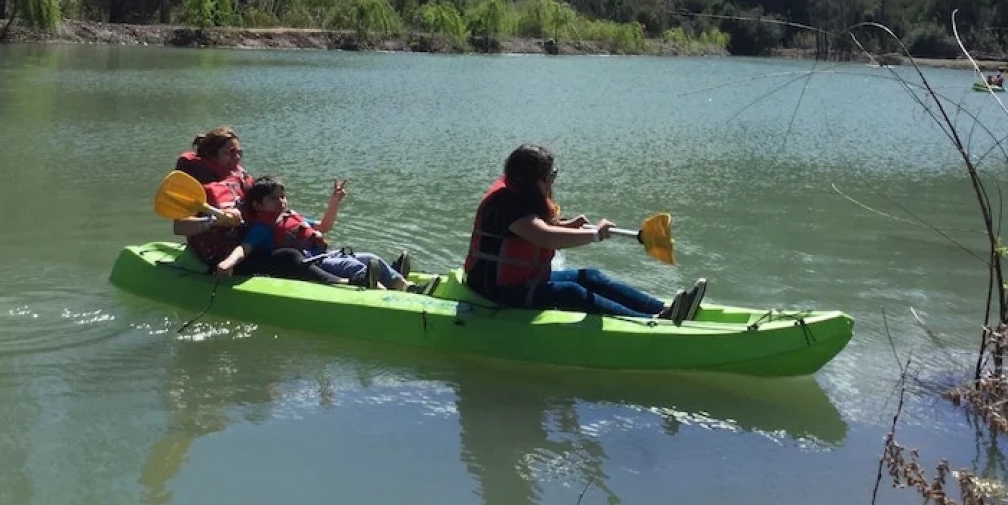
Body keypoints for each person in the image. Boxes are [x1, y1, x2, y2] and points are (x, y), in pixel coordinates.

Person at [463, 143, 705, 322]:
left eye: (553, 174)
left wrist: (567, 226)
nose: (551, 182)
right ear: (528, 180)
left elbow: (539, 230)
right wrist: (595, 234)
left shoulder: (522, 194)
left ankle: (664, 309)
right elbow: (544, 237)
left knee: (591, 276)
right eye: (548, 177)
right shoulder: (505, 203)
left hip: (525, 278)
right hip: (494, 288)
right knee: (569, 292)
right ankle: (649, 321)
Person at [214, 175, 410, 290]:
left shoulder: (291, 217)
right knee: (351, 265)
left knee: (369, 257)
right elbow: (244, 248)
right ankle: (383, 294)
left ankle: (404, 285)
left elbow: (324, 226)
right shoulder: (262, 228)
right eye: (274, 199)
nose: (281, 202)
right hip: (315, 263)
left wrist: (334, 202)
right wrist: (227, 263)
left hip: (326, 255)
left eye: (283, 196)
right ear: (258, 205)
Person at [170, 127, 252, 271]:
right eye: (229, 153)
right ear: (212, 156)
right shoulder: (195, 184)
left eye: (239, 152)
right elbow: (179, 227)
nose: (237, 157)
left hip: (245, 244)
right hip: (216, 253)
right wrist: (213, 221)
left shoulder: (239, 175)